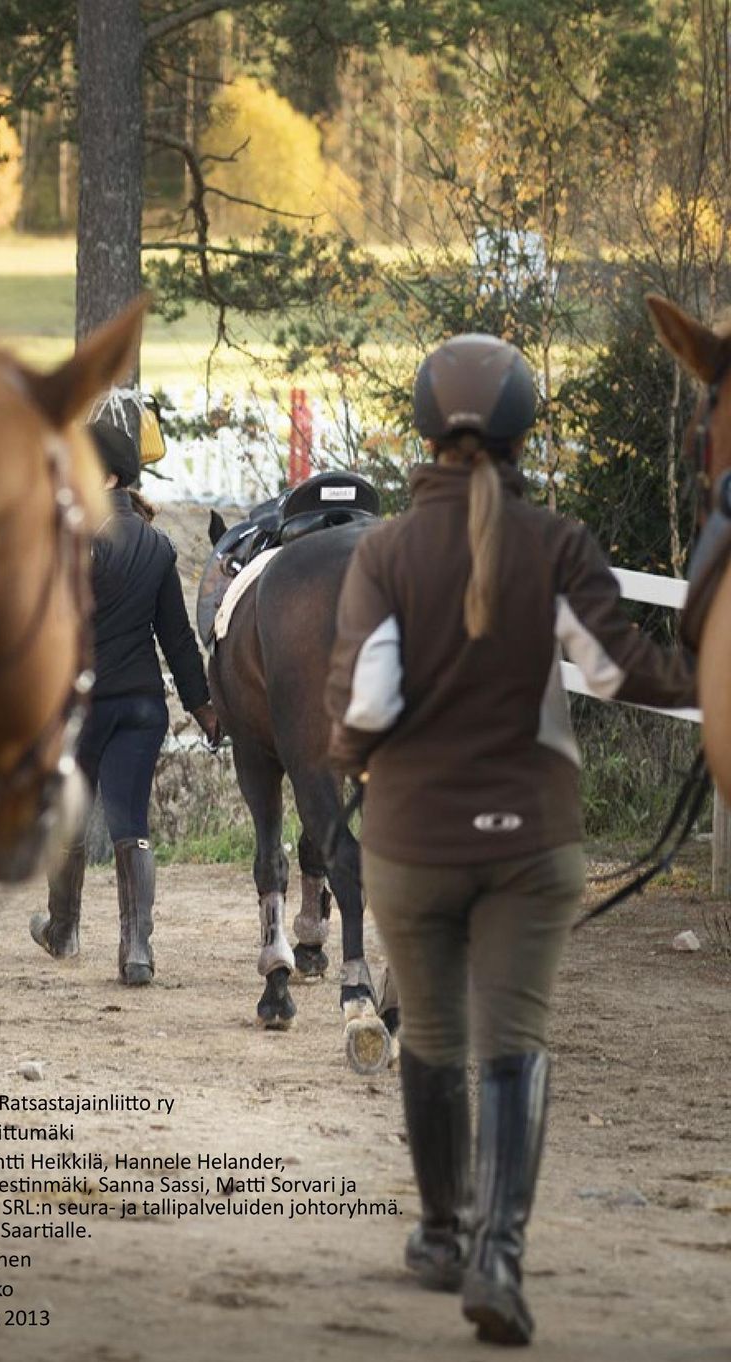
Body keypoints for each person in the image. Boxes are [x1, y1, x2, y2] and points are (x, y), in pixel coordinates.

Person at [324, 334, 696, 1347]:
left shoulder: (386, 552)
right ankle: (500, 1256)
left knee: (434, 1036)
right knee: (515, 1039)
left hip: (411, 840)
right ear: (526, 429)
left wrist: (351, 752)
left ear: (421, 431)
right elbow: (619, 673)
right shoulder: (559, 541)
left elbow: (368, 702)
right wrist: (707, 679)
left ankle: (442, 1234)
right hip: (532, 841)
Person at [31, 418, 220, 983]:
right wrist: (202, 705)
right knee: (130, 823)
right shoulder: (158, 547)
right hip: (141, 705)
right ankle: (136, 950)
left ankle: (63, 930)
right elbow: (178, 638)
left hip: (81, 705)